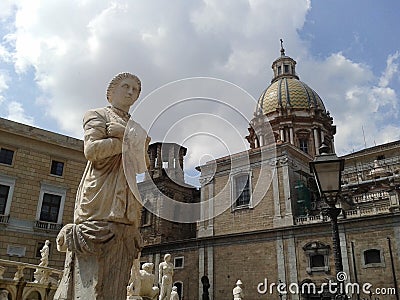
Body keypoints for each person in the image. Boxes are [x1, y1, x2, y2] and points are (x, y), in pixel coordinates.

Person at [54, 72, 150, 300]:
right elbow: (93, 151)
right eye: (126, 86)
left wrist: (124, 136)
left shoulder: (135, 126)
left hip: (126, 193)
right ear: (111, 91)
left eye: (135, 90)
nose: (131, 92)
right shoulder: (96, 114)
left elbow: (142, 165)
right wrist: (129, 140)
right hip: (100, 190)